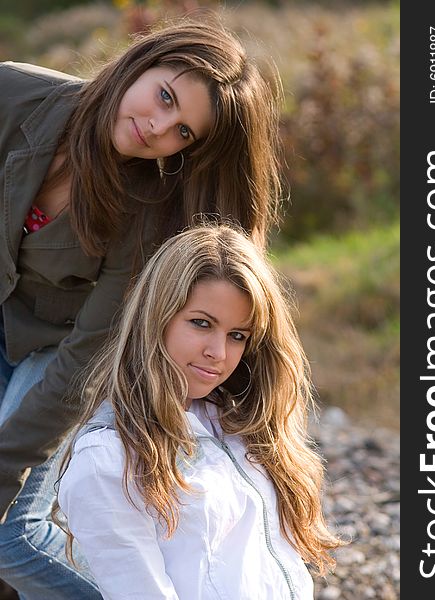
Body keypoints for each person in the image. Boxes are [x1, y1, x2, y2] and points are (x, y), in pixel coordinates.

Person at [0, 16, 283, 598]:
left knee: (10, 536)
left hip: (55, 346)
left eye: (182, 132)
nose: (157, 128)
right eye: (164, 96)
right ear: (141, 62)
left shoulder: (148, 208)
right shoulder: (14, 96)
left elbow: (84, 355)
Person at [55, 223, 343, 600]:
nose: (219, 354)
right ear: (156, 316)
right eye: (201, 324)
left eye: (237, 335)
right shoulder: (108, 458)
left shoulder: (242, 421)